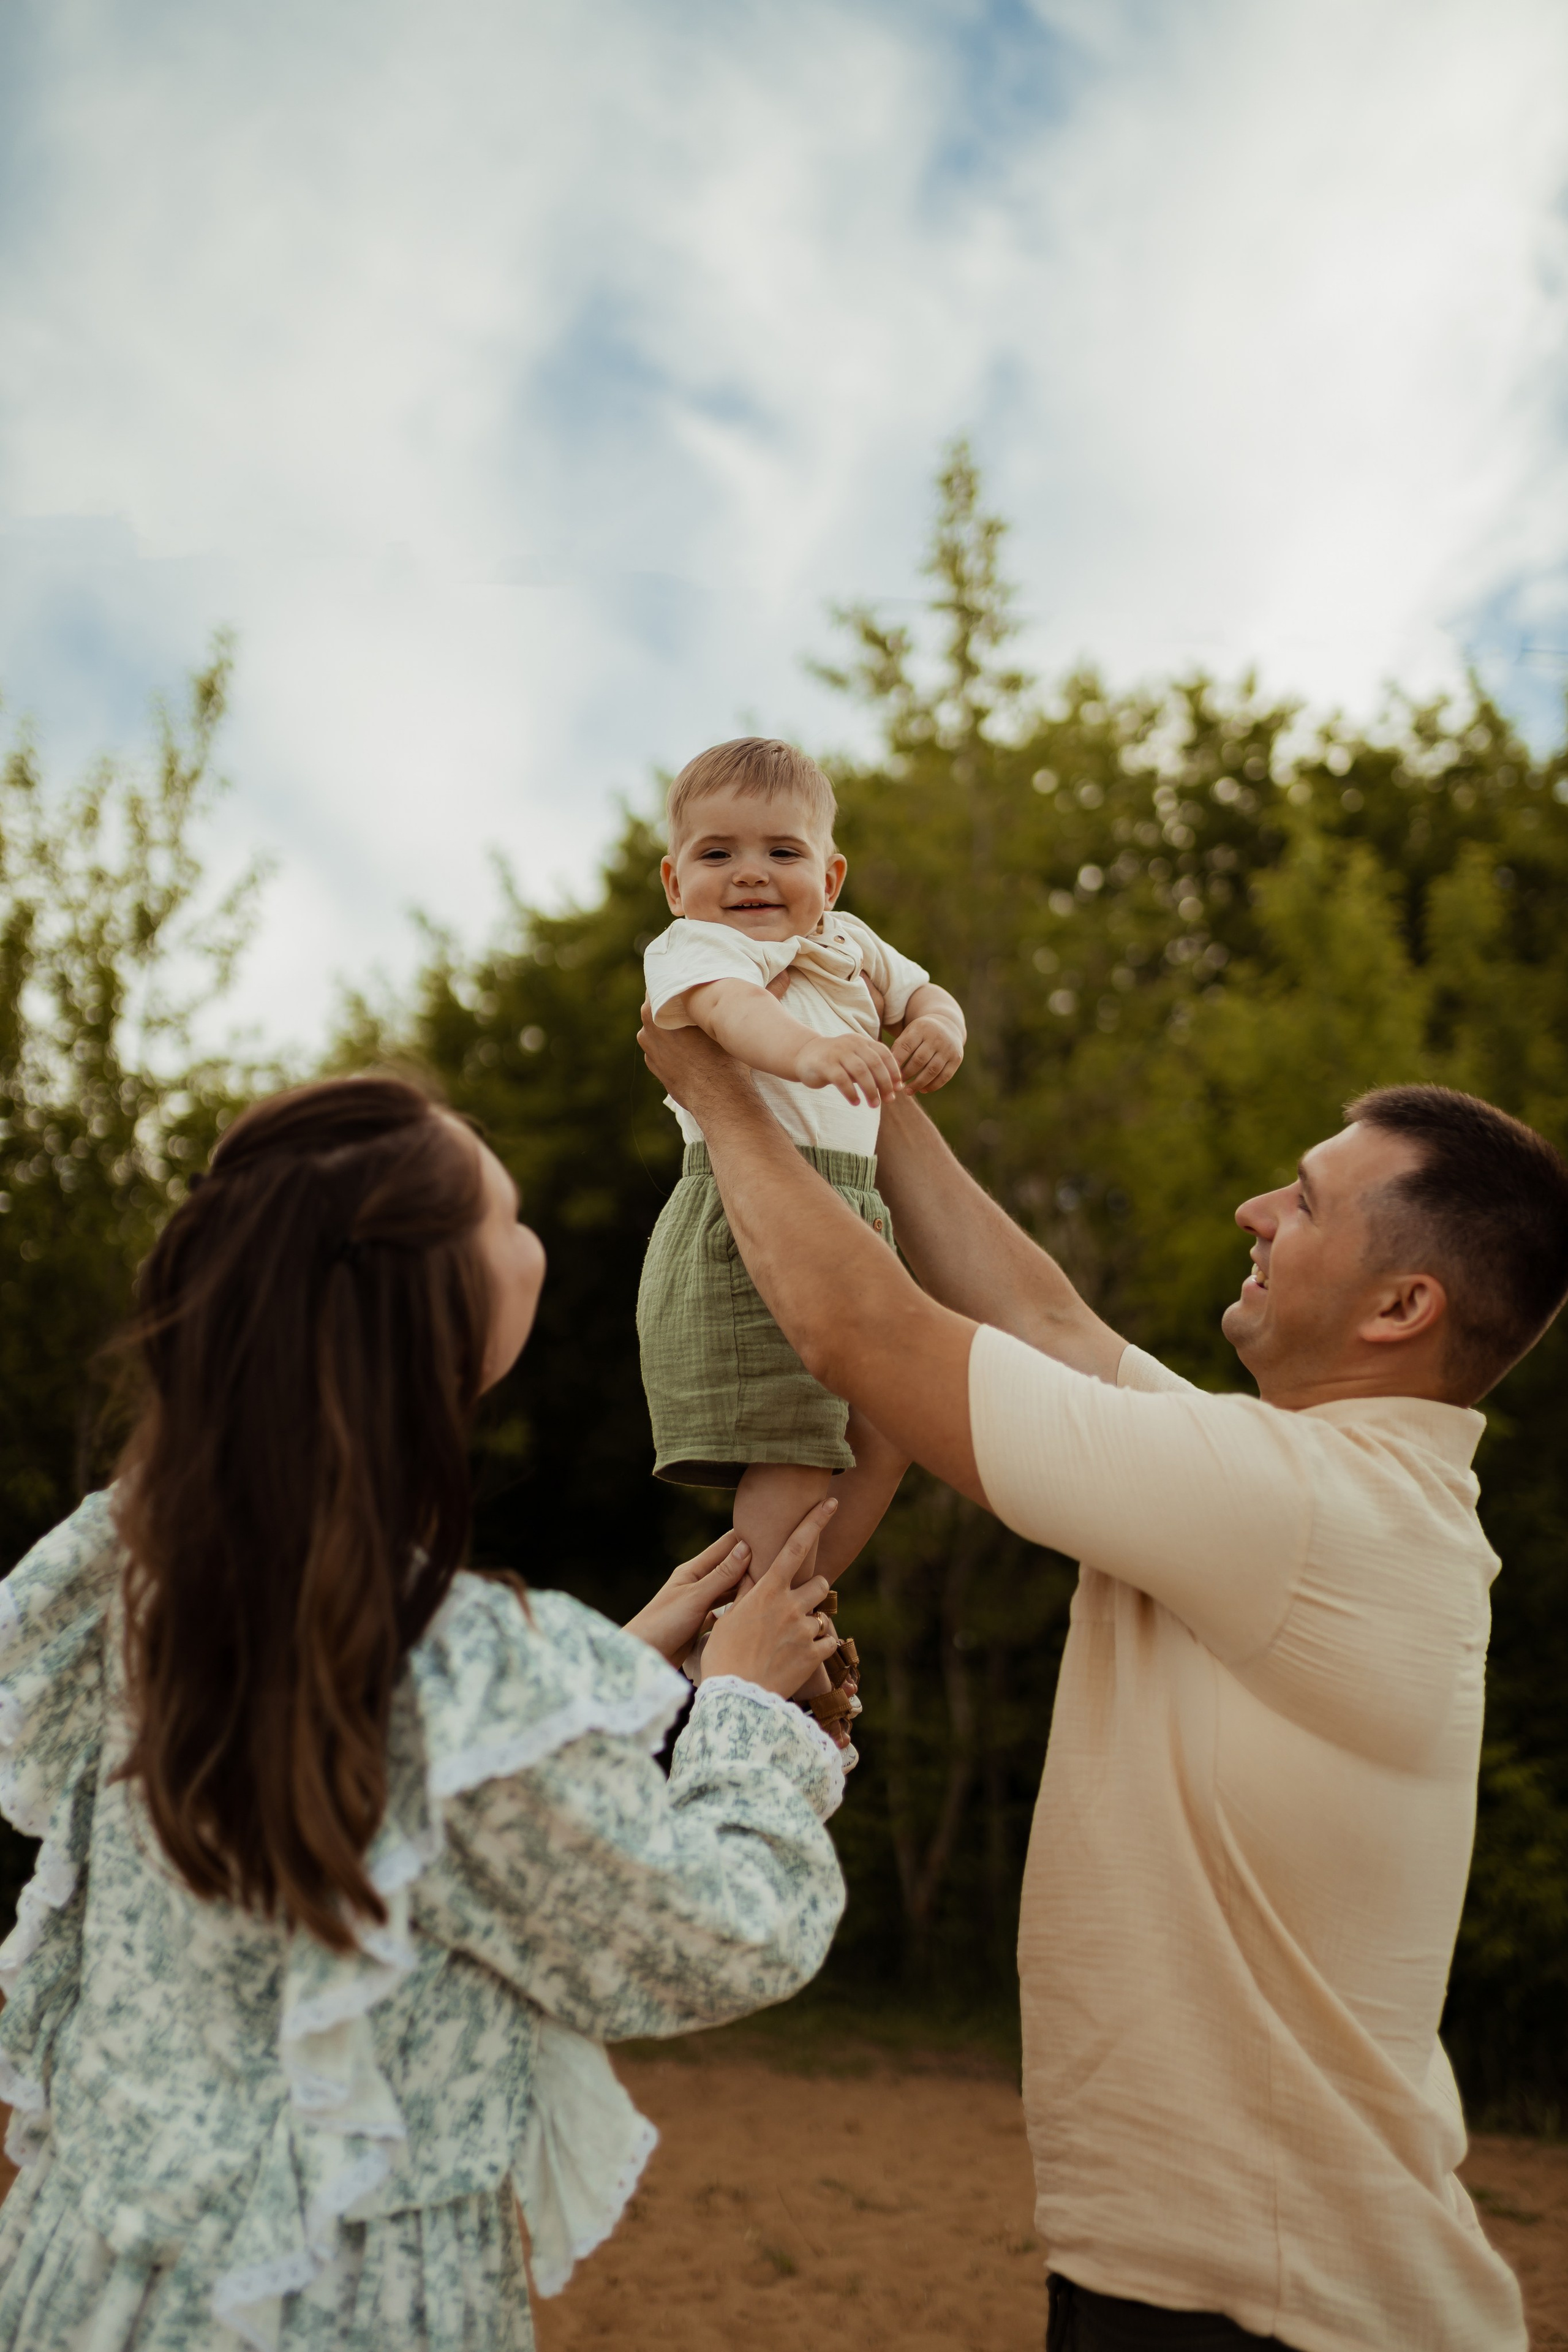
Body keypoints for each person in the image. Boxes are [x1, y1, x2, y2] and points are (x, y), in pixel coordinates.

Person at [638, 1009, 1560, 2352]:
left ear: (1399, 1308)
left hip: (1266, 2307)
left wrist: (719, 1088)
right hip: (1235, 2281)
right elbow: (1035, 1315)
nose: (1256, 1210)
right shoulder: (1314, 1489)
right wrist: (849, 1060)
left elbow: (855, 1326)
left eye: (1303, 1203)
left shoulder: (1301, 1510)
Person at [0, 1073, 852, 2352]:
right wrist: (739, 1711)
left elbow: (402, 1773)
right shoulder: (442, 1661)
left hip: (93, 2279)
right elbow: (724, 1936)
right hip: (332, 2306)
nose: (533, 1244)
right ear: (429, 1304)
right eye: (505, 1218)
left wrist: (612, 1673)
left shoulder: (143, 1562)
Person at [638, 736, 965, 1737]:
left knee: (896, 1425)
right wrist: (813, 1049)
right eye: (717, 853)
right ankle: (752, 1648)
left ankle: (761, 1619)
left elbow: (926, 993)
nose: (749, 874)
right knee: (794, 1450)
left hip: (851, 1217)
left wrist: (938, 1028)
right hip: (749, 1225)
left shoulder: (850, 942)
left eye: (781, 852)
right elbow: (732, 1016)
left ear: (830, 877)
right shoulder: (699, 951)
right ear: (676, 882)